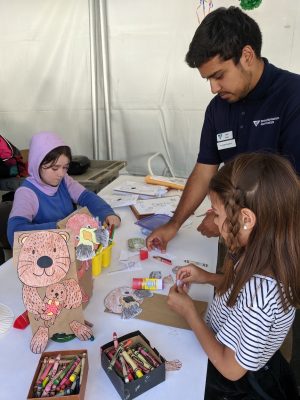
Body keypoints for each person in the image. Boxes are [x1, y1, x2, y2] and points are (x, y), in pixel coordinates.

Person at [146, 6, 300, 251]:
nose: (214, 88)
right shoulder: (218, 109)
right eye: (208, 79)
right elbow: (204, 171)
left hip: (282, 245)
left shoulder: (293, 97)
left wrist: (229, 218)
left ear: (247, 55)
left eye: (219, 75)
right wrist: (174, 223)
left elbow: (290, 188)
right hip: (237, 238)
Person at [167, 153, 300, 400]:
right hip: (230, 345)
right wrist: (209, 278)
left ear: (246, 219)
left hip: (240, 380)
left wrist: (190, 314)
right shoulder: (263, 253)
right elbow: (240, 291)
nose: (215, 223)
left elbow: (231, 369)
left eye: (217, 214)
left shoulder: (260, 295)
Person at [7, 132, 120, 246]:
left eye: (65, 167)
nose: (61, 173)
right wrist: (60, 227)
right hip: (47, 252)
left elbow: (87, 197)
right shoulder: (26, 193)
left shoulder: (64, 181)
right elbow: (14, 234)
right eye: (55, 168)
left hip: (70, 243)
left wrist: (107, 213)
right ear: (37, 165)